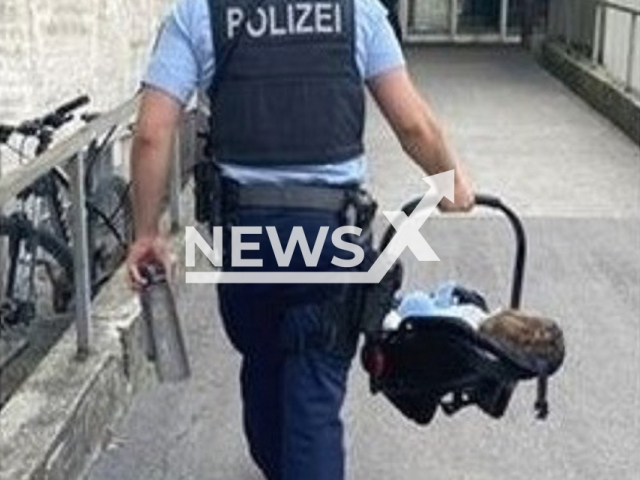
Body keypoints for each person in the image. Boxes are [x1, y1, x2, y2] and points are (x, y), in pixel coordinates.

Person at [126, 0, 475, 479]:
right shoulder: (359, 13)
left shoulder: (199, 14)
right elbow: (413, 123)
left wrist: (146, 234)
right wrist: (449, 181)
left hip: (245, 237)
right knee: (313, 389)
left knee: (263, 364)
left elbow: (151, 133)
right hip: (330, 237)